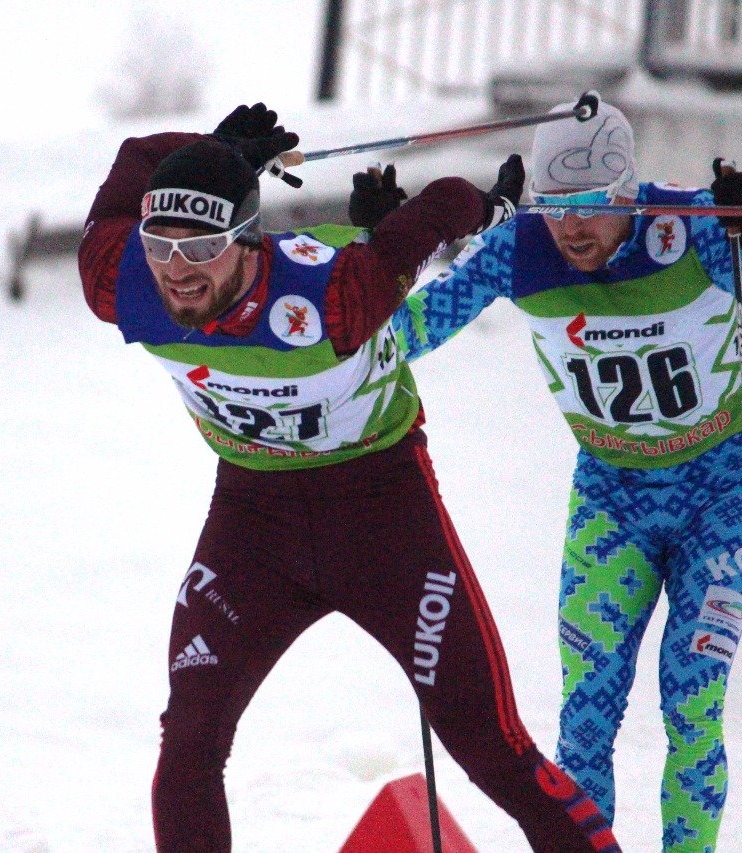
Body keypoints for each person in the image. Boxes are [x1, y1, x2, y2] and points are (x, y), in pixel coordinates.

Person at [78, 102, 622, 853]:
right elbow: (136, 152)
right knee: (191, 738)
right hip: (252, 523)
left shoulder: (335, 292)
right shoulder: (122, 281)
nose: (177, 270)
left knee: (489, 744)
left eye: (201, 247)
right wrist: (215, 151)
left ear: (246, 241)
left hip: (381, 516)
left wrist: (490, 208)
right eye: (161, 245)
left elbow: (435, 213)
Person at [359, 100, 742, 852]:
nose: (572, 226)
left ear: (628, 191)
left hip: (720, 488)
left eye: (591, 204)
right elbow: (394, 342)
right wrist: (387, 255)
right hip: (612, 493)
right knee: (585, 716)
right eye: (554, 205)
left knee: (692, 704)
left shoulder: (693, 229)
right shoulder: (520, 248)